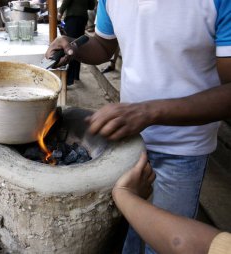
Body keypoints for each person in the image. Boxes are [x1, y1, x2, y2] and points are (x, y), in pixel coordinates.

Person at [46, 0, 231, 253]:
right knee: (130, 236)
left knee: (165, 245)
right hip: (128, 139)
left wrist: (148, 111)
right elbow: (103, 45)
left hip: (182, 148)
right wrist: (73, 46)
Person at [113, 153, 231, 254]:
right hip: (135, 145)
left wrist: (124, 193)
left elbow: (187, 245)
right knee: (129, 237)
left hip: (182, 151)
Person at [58, 0, 96, 85]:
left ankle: (68, 79)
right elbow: (91, 6)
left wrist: (60, 12)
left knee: (70, 46)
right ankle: (75, 75)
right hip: (82, 19)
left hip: (72, 19)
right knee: (78, 45)